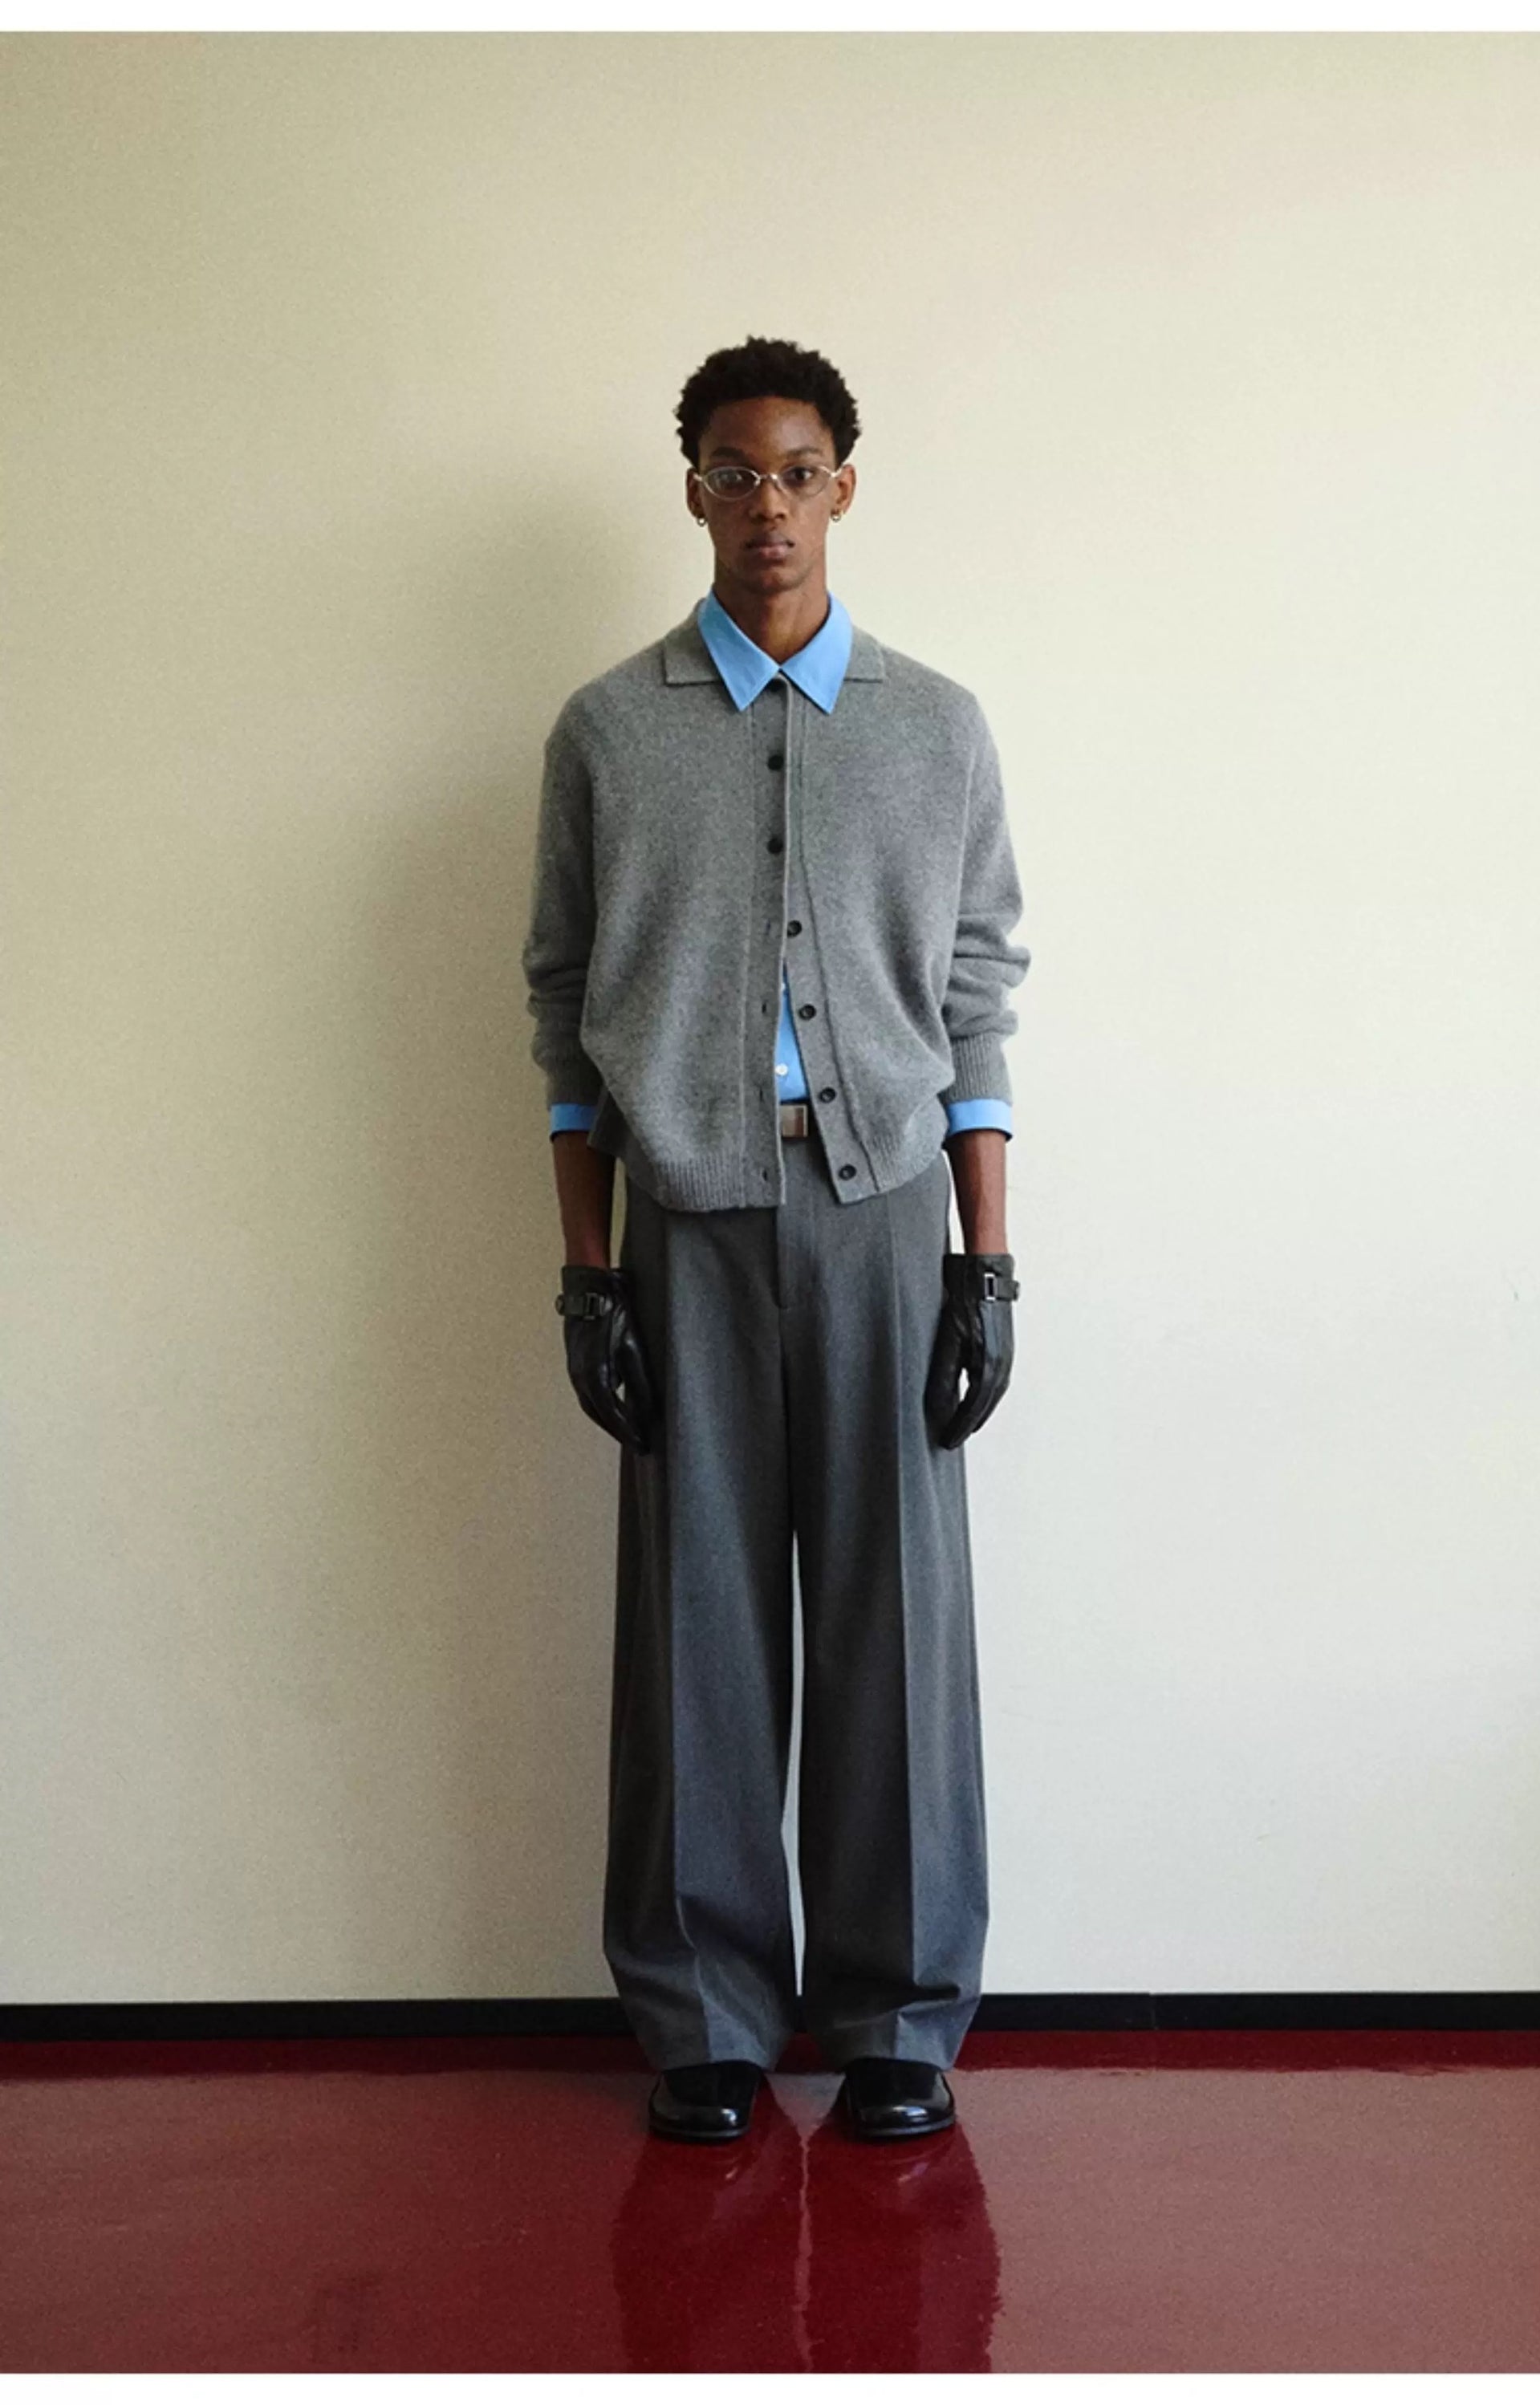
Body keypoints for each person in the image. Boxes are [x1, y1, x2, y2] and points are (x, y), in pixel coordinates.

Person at [522, 335, 1030, 2144]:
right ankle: (706, 2015)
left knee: (895, 1619)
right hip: (686, 1224)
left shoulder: (935, 726)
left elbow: (975, 997)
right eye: (734, 474)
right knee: (697, 1618)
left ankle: (897, 2012)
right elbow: (564, 1012)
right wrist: (588, 1273)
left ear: (844, 486)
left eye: (798, 472)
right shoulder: (608, 731)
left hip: (885, 1212)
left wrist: (982, 1261)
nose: (768, 507)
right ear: (693, 491)